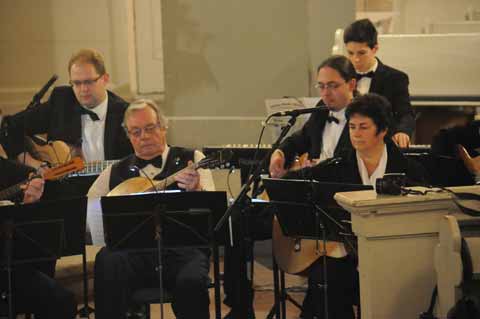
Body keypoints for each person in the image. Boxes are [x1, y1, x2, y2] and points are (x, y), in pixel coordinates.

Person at [286, 93, 428, 319]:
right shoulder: (339, 166)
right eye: (352, 127)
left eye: (363, 127)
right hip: (349, 255)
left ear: (382, 131)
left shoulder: (410, 170)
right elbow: (290, 184)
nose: (356, 134)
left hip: (395, 254)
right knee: (323, 276)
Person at [88, 99, 215, 319]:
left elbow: (212, 210)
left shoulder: (193, 160)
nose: (143, 136)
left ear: (164, 127)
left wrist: (196, 190)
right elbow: (90, 209)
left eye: (149, 128)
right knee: (107, 261)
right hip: (132, 254)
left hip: (183, 251)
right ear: (128, 135)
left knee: (191, 282)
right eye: (135, 132)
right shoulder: (114, 171)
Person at [2, 48, 133, 169]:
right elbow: (9, 126)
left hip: (110, 189)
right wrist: (33, 163)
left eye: (88, 82)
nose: (83, 89)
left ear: (105, 79)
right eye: (76, 83)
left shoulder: (125, 113)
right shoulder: (62, 101)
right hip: (63, 189)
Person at [0, 158, 77, 318]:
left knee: (62, 301)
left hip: (8, 267)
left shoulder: (9, 169)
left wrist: (29, 204)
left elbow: (32, 177)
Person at [269, 54, 357, 179]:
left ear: (351, 84)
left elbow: (350, 163)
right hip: (316, 187)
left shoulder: (363, 113)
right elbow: (299, 138)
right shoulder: (321, 109)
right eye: (321, 86)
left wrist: (314, 169)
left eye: (333, 86)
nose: (325, 93)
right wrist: (280, 153)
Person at [343, 18, 415, 148]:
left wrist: (402, 132)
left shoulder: (395, 78)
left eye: (361, 53)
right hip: (347, 149)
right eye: (350, 53)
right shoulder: (342, 78)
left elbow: (405, 113)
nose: (355, 59)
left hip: (383, 147)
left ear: (375, 48)